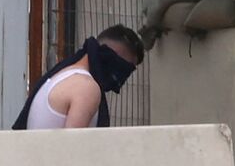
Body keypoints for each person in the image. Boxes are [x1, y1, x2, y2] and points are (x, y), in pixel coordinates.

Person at [13, 25, 144, 130]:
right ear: (113, 56)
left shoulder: (61, 76)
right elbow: (73, 152)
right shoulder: (86, 88)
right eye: (124, 69)